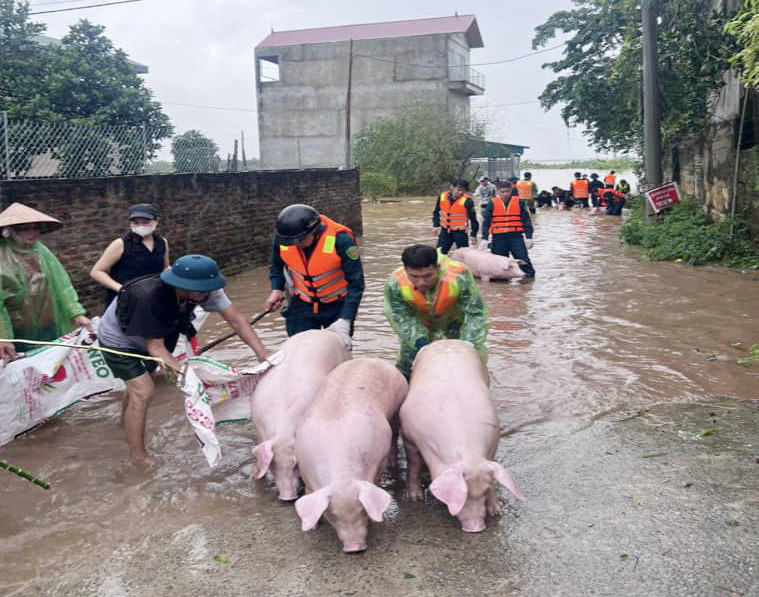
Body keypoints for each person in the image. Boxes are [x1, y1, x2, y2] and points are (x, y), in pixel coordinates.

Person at [97, 254, 270, 465]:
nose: (204, 294)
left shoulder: (206, 289)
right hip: (118, 339)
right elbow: (155, 347)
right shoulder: (149, 296)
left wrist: (263, 354)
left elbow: (237, 321)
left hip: (155, 333)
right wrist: (189, 377)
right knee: (143, 391)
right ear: (180, 285)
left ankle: (124, 423)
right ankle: (138, 457)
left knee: (140, 384)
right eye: (198, 291)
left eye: (207, 289)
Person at [0, 203, 92, 362]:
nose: (32, 232)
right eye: (24, 228)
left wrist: (76, 313)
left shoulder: (42, 252)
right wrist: (3, 337)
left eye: (35, 227)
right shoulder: (3, 257)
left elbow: (62, 286)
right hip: (16, 327)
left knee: (53, 366)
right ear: (9, 230)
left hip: (49, 321)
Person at [384, 244, 488, 379]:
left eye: (428, 276)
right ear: (405, 270)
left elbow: (475, 312)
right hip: (419, 325)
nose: (421, 282)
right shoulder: (395, 283)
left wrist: (468, 343)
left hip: (454, 323)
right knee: (408, 367)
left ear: (437, 268)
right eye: (414, 276)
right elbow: (401, 317)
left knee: (464, 369)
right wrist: (420, 342)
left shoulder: (459, 276)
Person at [264, 204, 364, 339]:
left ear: (314, 231)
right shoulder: (284, 239)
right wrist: (276, 289)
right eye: (292, 242)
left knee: (337, 349)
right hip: (302, 305)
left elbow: (356, 283)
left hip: (336, 306)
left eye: (301, 240)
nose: (296, 244)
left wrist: (345, 319)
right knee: (299, 347)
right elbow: (276, 266)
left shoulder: (341, 240)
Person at [90, 203, 170, 307]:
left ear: (156, 221)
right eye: (136, 222)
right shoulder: (121, 244)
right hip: (127, 299)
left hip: (152, 295)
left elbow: (165, 267)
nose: (141, 226)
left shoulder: (162, 242)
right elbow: (97, 271)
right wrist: (122, 289)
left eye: (146, 222)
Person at [481, 183, 536, 277]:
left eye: (507, 191)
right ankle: (502, 288)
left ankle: (528, 284)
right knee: (499, 265)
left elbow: (526, 221)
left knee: (523, 260)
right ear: (497, 192)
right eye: (502, 192)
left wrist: (529, 237)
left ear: (511, 191)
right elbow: (486, 223)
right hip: (498, 238)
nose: (505, 194)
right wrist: (485, 238)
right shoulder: (492, 203)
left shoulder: (519, 202)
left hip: (515, 237)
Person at [432, 179, 479, 254]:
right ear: (452, 187)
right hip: (445, 231)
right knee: (439, 254)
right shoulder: (442, 197)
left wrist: (473, 235)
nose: (461, 192)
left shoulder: (468, 201)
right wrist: (435, 225)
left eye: (463, 191)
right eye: (459, 190)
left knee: (463, 256)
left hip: (460, 233)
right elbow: (436, 212)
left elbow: (473, 219)